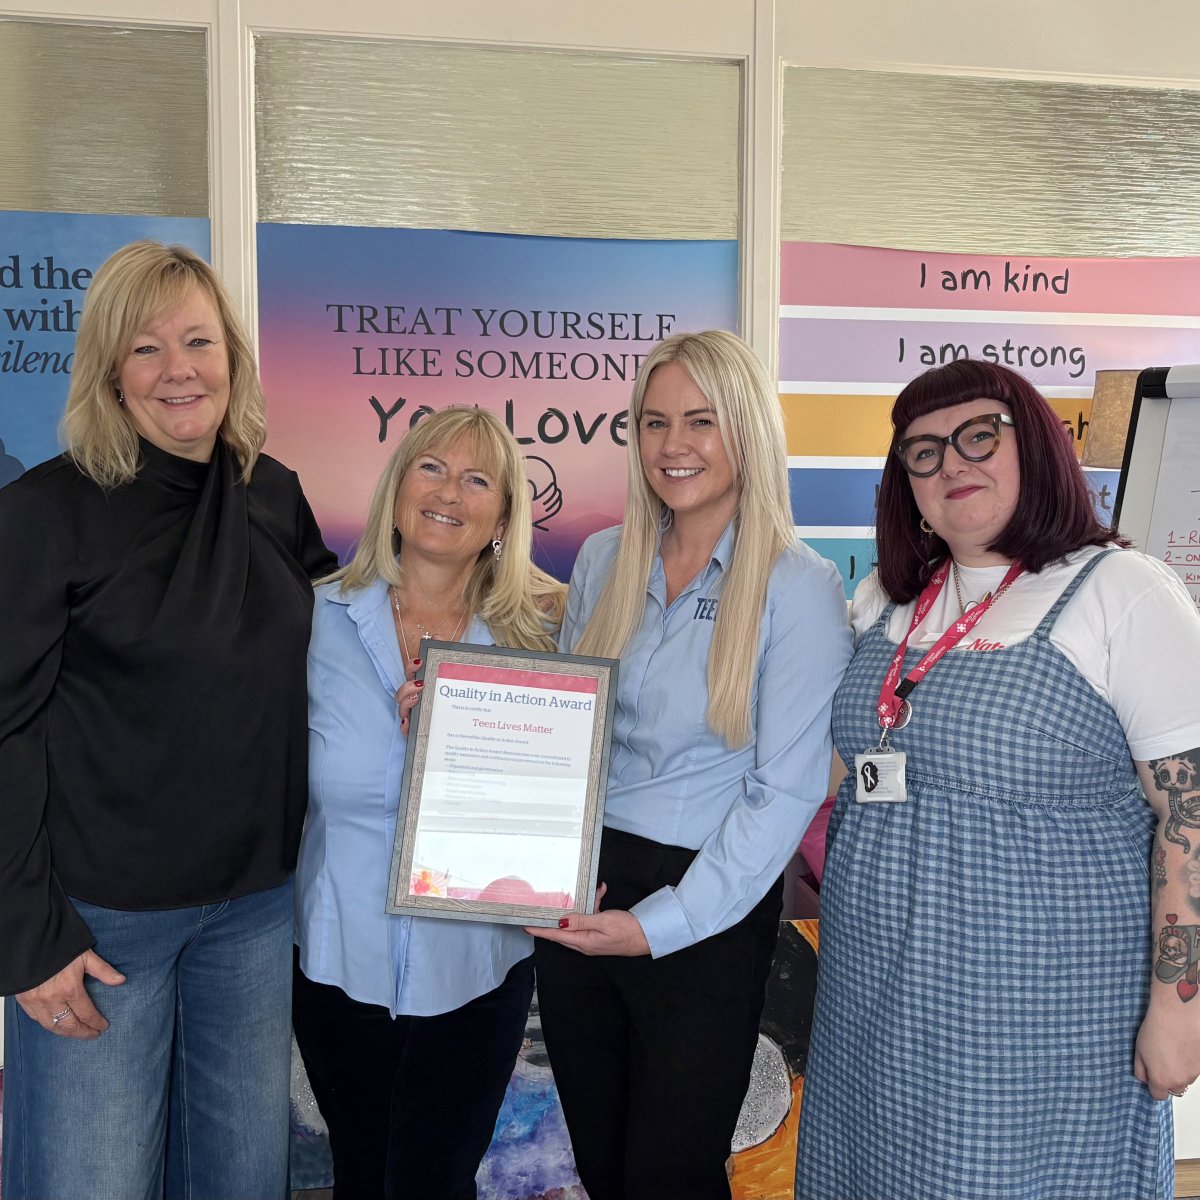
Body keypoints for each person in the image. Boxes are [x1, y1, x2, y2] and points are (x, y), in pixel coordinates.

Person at [795, 359, 1200, 1200]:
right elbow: (828, 768)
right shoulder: (884, 600)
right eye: (924, 451)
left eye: (979, 436)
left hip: (1040, 1023)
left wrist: (1181, 1008)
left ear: (1037, 446)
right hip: (872, 1003)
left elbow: (1189, 816)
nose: (953, 463)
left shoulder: (1120, 592)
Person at [0, 240, 336, 1200]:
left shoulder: (273, 493)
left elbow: (338, 647)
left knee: (241, 1181)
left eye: (197, 341)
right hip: (100, 928)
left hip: (256, 911)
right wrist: (25, 935)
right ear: (110, 371)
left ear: (233, 354)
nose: (178, 369)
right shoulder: (44, 514)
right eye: (146, 349)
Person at [529, 329, 852, 1200]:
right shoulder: (603, 558)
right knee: (602, 1165)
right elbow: (570, 733)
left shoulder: (798, 586)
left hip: (707, 903)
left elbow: (784, 791)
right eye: (655, 421)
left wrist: (659, 925)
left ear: (747, 430)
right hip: (586, 884)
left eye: (701, 421)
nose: (674, 444)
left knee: (669, 1176)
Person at [292, 405, 566, 1200]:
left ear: (502, 518)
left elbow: (554, 808)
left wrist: (454, 752)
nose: (449, 493)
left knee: (436, 1184)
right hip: (340, 962)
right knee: (362, 1177)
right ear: (397, 488)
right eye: (432, 468)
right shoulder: (313, 619)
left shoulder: (538, 637)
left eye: (477, 480)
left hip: (475, 970)